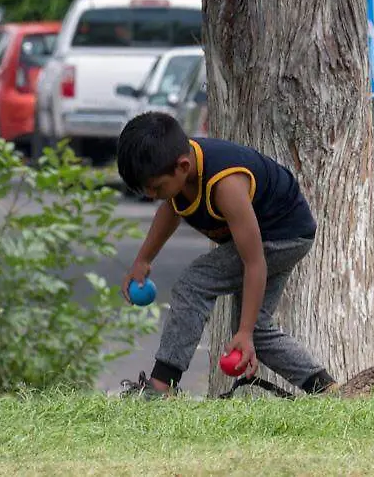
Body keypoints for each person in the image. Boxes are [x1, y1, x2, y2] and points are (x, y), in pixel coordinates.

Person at [115, 111, 338, 398]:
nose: (151, 195)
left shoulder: (226, 185)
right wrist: (142, 260)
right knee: (256, 330)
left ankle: (161, 388)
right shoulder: (178, 165)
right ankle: (327, 389)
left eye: (156, 188)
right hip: (282, 236)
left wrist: (242, 333)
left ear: (182, 167)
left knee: (194, 284)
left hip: (282, 236)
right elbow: (171, 209)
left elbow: (254, 262)